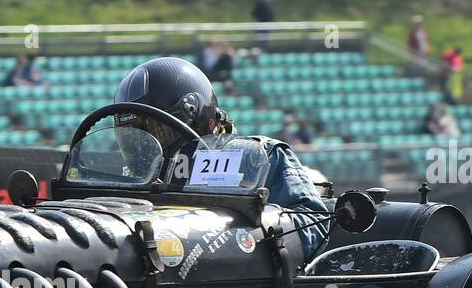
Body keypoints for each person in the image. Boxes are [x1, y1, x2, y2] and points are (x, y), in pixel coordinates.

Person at [111, 55, 330, 257]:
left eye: (156, 131)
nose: (143, 147)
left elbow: (313, 222)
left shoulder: (256, 158)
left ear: (196, 118)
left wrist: (244, 238)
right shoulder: (124, 179)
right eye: (133, 136)